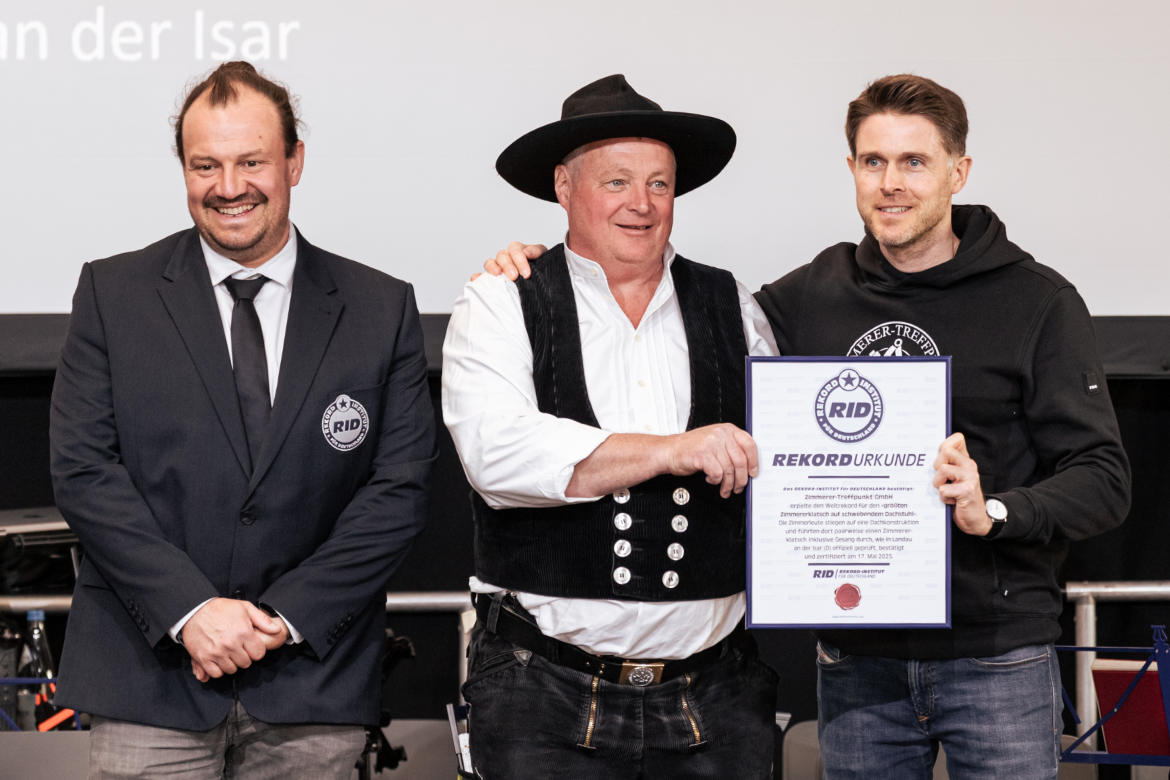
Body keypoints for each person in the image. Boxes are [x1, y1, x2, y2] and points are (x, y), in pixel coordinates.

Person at [485, 73, 1131, 779]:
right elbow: (682, 318)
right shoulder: (805, 298)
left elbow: (1103, 479)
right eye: (874, 161)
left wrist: (994, 510)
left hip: (995, 658)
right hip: (858, 661)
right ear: (852, 169)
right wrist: (552, 266)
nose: (892, 182)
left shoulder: (1037, 302)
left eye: (914, 161)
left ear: (958, 171)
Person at [49, 61, 435, 778]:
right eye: (206, 165)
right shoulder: (113, 293)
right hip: (148, 679)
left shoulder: (380, 308)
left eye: (252, 161)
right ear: (184, 170)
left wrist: (283, 618)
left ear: (294, 162)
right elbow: (84, 471)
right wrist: (191, 610)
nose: (229, 187)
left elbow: (398, 492)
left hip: (312, 680)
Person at [442, 74, 779, 779]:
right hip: (543, 694)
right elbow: (497, 457)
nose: (641, 203)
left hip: (717, 696)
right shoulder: (503, 299)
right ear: (564, 188)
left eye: (659, 184)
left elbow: (782, 462)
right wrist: (671, 451)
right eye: (617, 181)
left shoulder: (732, 303)